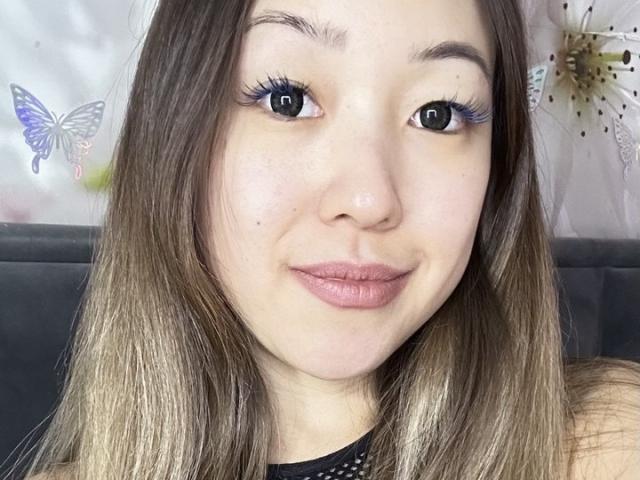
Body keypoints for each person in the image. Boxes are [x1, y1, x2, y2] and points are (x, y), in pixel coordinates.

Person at [13, 0, 640, 479]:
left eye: (439, 114)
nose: (369, 201)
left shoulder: (605, 447)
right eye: (287, 100)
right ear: (176, 136)